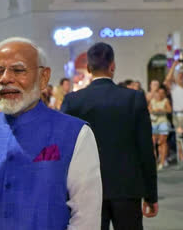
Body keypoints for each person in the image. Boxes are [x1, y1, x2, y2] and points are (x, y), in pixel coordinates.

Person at [0, 37, 102, 229]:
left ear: (43, 78)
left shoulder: (75, 134)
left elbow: (86, 218)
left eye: (18, 70)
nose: (5, 79)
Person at [61, 42, 158, 230]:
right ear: (112, 66)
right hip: (127, 188)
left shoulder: (73, 101)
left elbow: (65, 149)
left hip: (86, 189)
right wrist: (151, 195)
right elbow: (146, 149)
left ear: (88, 68)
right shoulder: (133, 98)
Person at [164, 60, 183, 162]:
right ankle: (181, 159)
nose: (181, 77)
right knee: (179, 137)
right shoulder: (174, 88)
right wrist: (173, 67)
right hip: (178, 115)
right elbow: (167, 80)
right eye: (180, 75)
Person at [149, 85, 172, 170]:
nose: (159, 94)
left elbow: (169, 110)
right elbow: (149, 110)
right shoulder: (152, 101)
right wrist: (154, 111)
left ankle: (162, 162)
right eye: (158, 93)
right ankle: (154, 163)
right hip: (154, 123)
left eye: (162, 93)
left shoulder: (165, 100)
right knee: (153, 143)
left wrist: (162, 110)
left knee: (162, 142)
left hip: (163, 122)